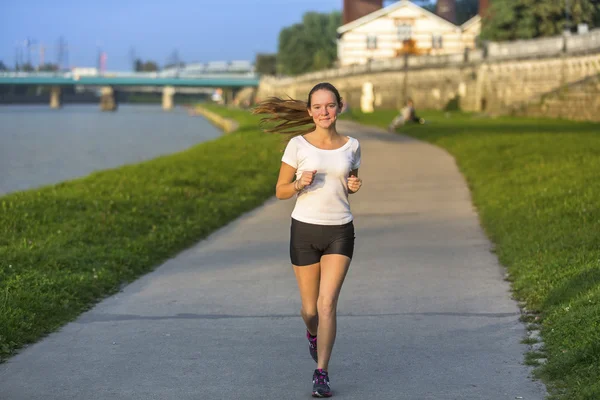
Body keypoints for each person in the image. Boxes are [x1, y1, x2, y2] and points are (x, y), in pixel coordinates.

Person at [253, 82, 362, 398]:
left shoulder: (352, 145)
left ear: (339, 107)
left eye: (330, 105)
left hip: (340, 230)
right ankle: (313, 334)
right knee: (310, 310)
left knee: (328, 304)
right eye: (318, 107)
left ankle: (322, 373)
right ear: (309, 111)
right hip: (304, 231)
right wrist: (299, 183)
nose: (324, 112)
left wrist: (354, 185)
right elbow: (280, 190)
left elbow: (350, 180)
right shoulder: (297, 145)